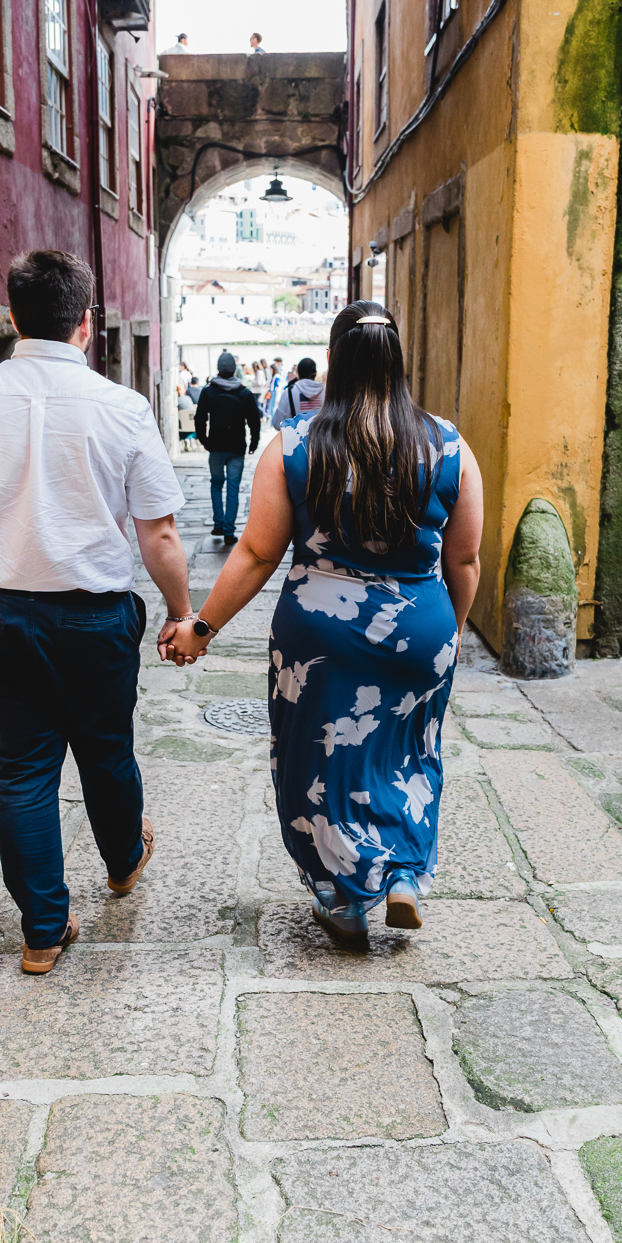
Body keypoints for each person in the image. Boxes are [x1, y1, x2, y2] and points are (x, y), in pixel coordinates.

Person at [164, 301, 483, 944]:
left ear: (334, 362)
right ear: (399, 362)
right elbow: (466, 558)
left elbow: (257, 552)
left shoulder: (297, 443)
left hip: (320, 631)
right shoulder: (448, 444)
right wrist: (446, 631)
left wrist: (202, 628)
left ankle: (342, 896)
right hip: (419, 623)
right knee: (406, 752)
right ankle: (399, 876)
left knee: (321, 759)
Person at [0, 250, 192, 975]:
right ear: (86, 323)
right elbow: (159, 533)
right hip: (95, 616)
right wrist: (181, 611)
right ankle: (125, 860)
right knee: (107, 749)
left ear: (11, 318)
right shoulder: (122, 408)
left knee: (24, 769)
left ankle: (43, 931)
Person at [194, 350, 261, 545]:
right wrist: (254, 442)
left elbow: (200, 418)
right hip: (237, 447)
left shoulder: (208, 392)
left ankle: (218, 524)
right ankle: (229, 531)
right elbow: (254, 420)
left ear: (218, 369)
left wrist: (204, 440)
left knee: (216, 484)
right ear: (234, 370)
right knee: (233, 488)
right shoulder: (244, 393)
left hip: (215, 446)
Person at [271, 356, 324, 429]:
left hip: (296, 439)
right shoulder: (325, 392)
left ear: (298, 374)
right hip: (320, 438)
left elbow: (277, 423)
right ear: (315, 373)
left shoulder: (289, 392)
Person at [263, 355, 286, 422]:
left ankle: (273, 423)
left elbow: (278, 387)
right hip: (275, 392)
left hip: (276, 393)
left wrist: (277, 398)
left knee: (273, 408)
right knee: (271, 408)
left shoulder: (278, 374)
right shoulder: (276, 375)